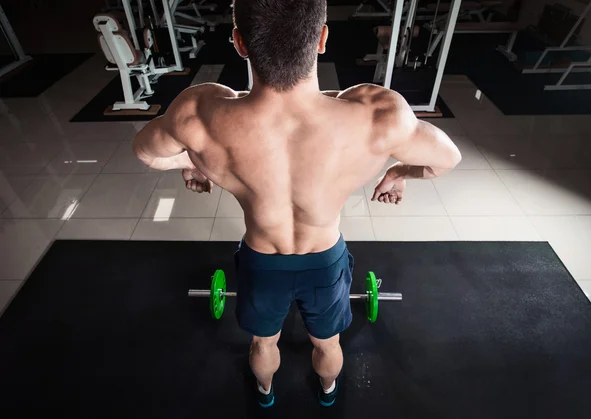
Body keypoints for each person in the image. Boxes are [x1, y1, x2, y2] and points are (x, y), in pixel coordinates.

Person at [133, 0, 461, 408]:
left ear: (239, 43)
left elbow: (147, 153)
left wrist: (195, 161)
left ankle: (265, 394)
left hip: (261, 261)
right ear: (322, 38)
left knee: (261, 342)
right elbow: (447, 158)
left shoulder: (199, 113)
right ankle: (327, 393)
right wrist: (398, 174)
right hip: (324, 260)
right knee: (328, 344)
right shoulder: (378, 115)